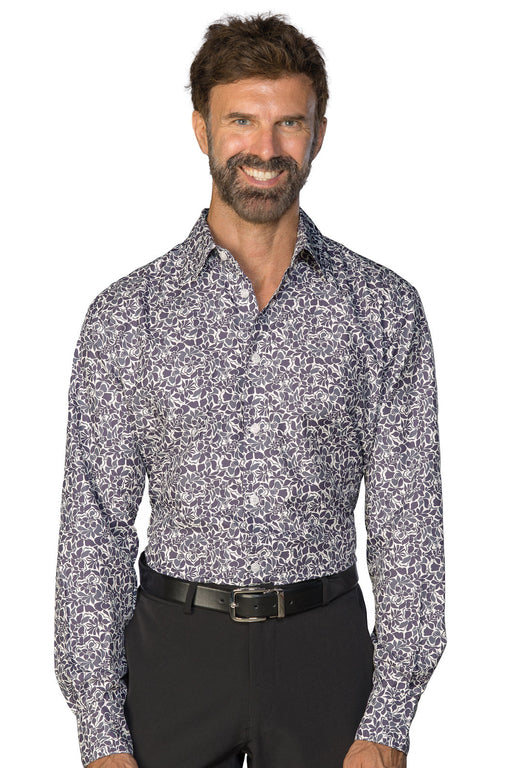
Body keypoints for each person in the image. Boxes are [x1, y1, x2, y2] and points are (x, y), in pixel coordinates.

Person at [54, 13, 446, 768]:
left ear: (319, 133)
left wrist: (390, 717)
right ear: (201, 129)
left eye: (288, 122)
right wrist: (101, 731)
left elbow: (410, 530)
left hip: (324, 658)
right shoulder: (127, 315)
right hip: (173, 657)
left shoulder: (383, 309)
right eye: (241, 121)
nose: (265, 148)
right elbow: (93, 531)